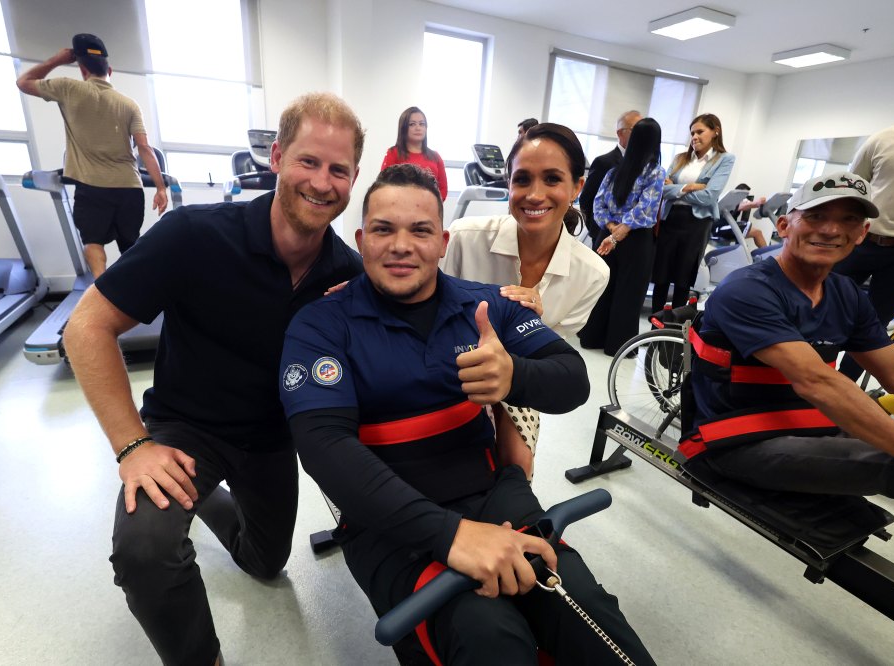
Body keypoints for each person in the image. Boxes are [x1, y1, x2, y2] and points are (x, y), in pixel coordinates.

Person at [280, 164, 656, 666]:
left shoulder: (487, 306)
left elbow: (572, 380)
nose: (400, 245)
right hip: (386, 523)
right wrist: (450, 536)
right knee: (486, 634)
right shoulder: (321, 325)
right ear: (361, 239)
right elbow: (324, 449)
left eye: (420, 231)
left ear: (443, 242)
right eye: (384, 230)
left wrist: (513, 375)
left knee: (581, 606)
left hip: (494, 496)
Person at [61, 92, 365, 666]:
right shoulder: (195, 235)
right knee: (145, 547)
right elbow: (86, 328)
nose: (322, 182)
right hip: (186, 428)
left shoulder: (345, 274)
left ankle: (203, 499)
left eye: (338, 169)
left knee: (265, 562)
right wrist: (133, 446)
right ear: (276, 157)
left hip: (273, 438)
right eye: (307, 161)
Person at [679, 171, 894, 510]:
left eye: (848, 219)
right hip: (736, 439)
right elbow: (817, 382)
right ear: (785, 226)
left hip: (808, 425)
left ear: (862, 233)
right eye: (816, 216)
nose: (832, 229)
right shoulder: (747, 290)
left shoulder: (846, 294)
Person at [442, 122, 609, 477]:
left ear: (577, 187)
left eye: (552, 179)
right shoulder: (462, 238)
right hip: (444, 362)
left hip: (518, 371)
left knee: (517, 463)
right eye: (522, 180)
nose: (535, 195)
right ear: (509, 184)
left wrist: (534, 324)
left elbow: (549, 361)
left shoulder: (591, 273)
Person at [16, 34, 168, 277]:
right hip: (130, 189)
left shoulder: (68, 87)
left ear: (82, 69)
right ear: (110, 70)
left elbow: (24, 81)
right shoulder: (129, 104)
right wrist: (160, 188)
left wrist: (56, 60)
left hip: (93, 186)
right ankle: (133, 299)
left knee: (93, 242)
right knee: (130, 244)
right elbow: (144, 148)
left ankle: (101, 290)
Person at [833, 119, 894, 379]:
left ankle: (843, 390)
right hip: (861, 241)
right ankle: (811, 377)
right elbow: (851, 187)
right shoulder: (883, 139)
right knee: (823, 307)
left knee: (875, 326)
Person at [579, 117, 666, 356]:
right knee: (629, 293)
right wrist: (620, 233)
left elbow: (598, 204)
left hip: (606, 236)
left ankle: (592, 337)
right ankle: (618, 346)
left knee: (602, 287)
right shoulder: (656, 172)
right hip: (635, 240)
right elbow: (646, 210)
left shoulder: (614, 171)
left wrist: (611, 228)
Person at [651, 113, 735, 312]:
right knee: (661, 277)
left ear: (715, 131)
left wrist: (676, 189)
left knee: (683, 278)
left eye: (700, 132)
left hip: (696, 223)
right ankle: (656, 323)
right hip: (670, 219)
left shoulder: (724, 159)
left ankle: (675, 327)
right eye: (692, 133)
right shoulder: (681, 158)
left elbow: (709, 196)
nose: (694, 137)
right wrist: (690, 187)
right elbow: (661, 189)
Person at [578, 110, 643, 244]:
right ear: (620, 133)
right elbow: (586, 199)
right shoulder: (604, 162)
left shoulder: (646, 166)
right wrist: (594, 230)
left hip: (634, 239)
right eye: (635, 129)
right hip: (605, 234)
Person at [381, 106, 448, 201]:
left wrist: (432, 204)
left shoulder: (435, 156)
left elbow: (443, 190)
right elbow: (384, 185)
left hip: (429, 209)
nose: (418, 128)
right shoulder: (394, 153)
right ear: (403, 128)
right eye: (412, 124)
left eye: (422, 124)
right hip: (401, 208)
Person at [728, 183, 771, 251]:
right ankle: (767, 252)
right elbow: (741, 206)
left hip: (732, 226)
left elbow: (748, 204)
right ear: (738, 192)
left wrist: (759, 204)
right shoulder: (731, 200)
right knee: (757, 232)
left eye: (746, 195)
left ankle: (766, 252)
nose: (745, 196)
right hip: (724, 228)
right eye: (744, 194)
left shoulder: (741, 200)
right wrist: (756, 203)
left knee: (757, 232)